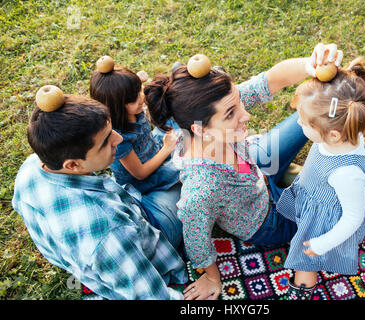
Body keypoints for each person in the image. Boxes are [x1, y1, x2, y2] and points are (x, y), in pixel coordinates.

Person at [144, 43, 344, 300]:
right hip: (267, 221)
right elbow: (196, 240)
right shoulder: (202, 188)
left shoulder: (215, 106)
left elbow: (271, 80)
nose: (246, 115)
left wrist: (311, 65)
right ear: (200, 130)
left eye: (239, 103)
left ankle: (289, 178)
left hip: (258, 167)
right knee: (350, 197)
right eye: (232, 113)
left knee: (312, 113)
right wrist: (211, 277)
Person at [11, 91, 187, 299]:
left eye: (112, 130)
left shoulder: (31, 168)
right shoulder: (108, 232)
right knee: (187, 179)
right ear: (73, 165)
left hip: (123, 221)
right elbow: (154, 296)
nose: (118, 139)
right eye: (105, 141)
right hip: (149, 239)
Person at [276, 57, 365, 300]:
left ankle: (303, 288)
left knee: (304, 260)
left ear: (332, 133)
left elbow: (353, 217)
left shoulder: (346, 174)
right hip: (314, 199)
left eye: (304, 122)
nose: (298, 123)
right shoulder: (340, 135)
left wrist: (322, 243)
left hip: (323, 224)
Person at [89, 60, 182, 248]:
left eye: (139, 91)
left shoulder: (131, 109)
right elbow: (140, 173)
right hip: (146, 179)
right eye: (133, 98)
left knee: (176, 125)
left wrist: (134, 82)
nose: (141, 98)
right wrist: (166, 149)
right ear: (116, 106)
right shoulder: (119, 137)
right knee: (186, 164)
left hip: (154, 149)